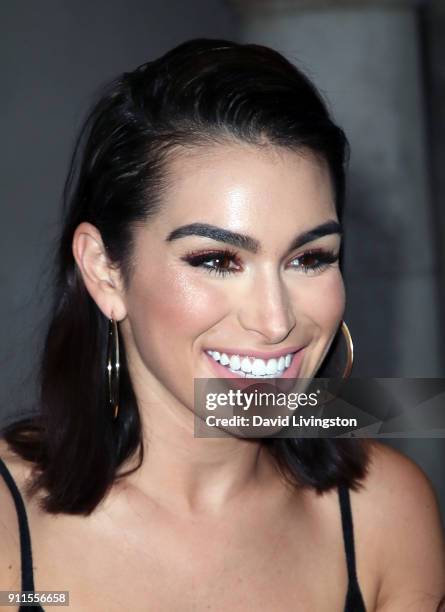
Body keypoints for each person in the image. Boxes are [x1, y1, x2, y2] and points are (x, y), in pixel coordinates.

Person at [0, 38, 444, 612]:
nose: (276, 320)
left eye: (309, 258)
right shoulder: (11, 531)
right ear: (105, 271)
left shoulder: (384, 509)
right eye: (216, 260)